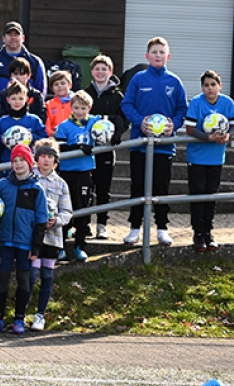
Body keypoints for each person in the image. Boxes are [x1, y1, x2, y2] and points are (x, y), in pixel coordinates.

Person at [120, 36, 188, 246]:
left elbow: (182, 109)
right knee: (138, 186)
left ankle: (162, 228)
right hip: (140, 144)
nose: (158, 56)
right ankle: (134, 228)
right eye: (154, 52)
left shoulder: (175, 81)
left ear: (168, 56)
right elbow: (126, 104)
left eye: (162, 52)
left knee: (161, 187)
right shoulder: (138, 79)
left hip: (164, 147)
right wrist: (140, 122)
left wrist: (173, 125)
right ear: (147, 56)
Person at [0, 143, 49, 334]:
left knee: (24, 280)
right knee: (2, 279)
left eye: (22, 160)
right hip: (5, 241)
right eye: (15, 161)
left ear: (30, 163)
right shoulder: (3, 185)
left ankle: (19, 318)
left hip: (25, 243)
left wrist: (36, 247)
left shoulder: (37, 189)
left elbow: (41, 220)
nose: (18, 164)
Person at [184, 70, 234, 252]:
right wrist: (208, 137)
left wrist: (228, 135)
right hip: (197, 157)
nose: (210, 88)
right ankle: (197, 233)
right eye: (206, 85)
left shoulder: (228, 103)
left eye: (213, 85)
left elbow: (232, 124)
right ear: (202, 87)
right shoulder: (196, 102)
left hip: (216, 158)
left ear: (219, 86)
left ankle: (208, 233)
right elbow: (189, 129)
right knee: (198, 194)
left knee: (211, 195)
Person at [30, 139, 73, 331]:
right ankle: (21, 312)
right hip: (32, 237)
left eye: (50, 157)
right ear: (36, 159)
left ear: (55, 161)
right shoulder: (29, 178)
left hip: (53, 237)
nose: (46, 161)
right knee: (30, 274)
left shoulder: (61, 184)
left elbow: (67, 211)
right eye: (42, 156)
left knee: (47, 275)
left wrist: (56, 221)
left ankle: (40, 315)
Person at [54, 90, 100, 261]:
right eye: (76, 108)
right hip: (67, 172)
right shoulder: (64, 126)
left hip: (85, 172)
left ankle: (80, 245)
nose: (79, 111)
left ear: (89, 108)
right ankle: (60, 246)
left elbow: (114, 120)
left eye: (83, 108)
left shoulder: (94, 123)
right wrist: (79, 148)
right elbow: (61, 148)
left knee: (83, 209)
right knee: (64, 208)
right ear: (71, 108)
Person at [84, 55, 127, 239]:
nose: (100, 72)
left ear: (110, 72)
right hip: (88, 150)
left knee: (103, 188)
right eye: (97, 69)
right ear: (92, 71)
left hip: (107, 149)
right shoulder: (86, 94)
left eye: (104, 69)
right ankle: (84, 224)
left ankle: (102, 224)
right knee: (87, 187)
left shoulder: (118, 96)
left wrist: (118, 133)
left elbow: (124, 118)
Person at [0, 21, 46, 123]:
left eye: (16, 34)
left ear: (23, 38)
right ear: (4, 38)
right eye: (9, 34)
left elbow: (41, 90)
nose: (13, 37)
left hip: (28, 124)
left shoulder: (35, 62)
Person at [0, 82, 46, 165]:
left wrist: (32, 137)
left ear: (26, 99)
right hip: (8, 163)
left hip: (29, 163)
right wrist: (1, 140)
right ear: (8, 100)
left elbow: (44, 139)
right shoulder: (1, 122)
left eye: (20, 98)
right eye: (13, 98)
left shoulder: (34, 120)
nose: (17, 102)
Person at [44, 70, 75, 136]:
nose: (59, 86)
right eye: (56, 84)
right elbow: (47, 125)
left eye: (63, 83)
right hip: (55, 137)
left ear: (70, 85)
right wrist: (53, 133)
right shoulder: (48, 105)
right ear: (52, 89)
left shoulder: (77, 101)